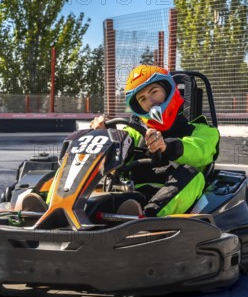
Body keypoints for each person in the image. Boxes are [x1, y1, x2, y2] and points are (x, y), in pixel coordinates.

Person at [90, 65, 220, 217]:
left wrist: (167, 146)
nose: (150, 102)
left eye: (154, 92)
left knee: (191, 173)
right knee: (100, 200)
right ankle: (72, 213)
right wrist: (103, 134)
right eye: (143, 99)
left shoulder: (204, 131)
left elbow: (199, 152)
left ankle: (147, 218)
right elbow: (115, 153)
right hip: (136, 195)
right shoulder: (135, 132)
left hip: (175, 193)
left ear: (169, 90)